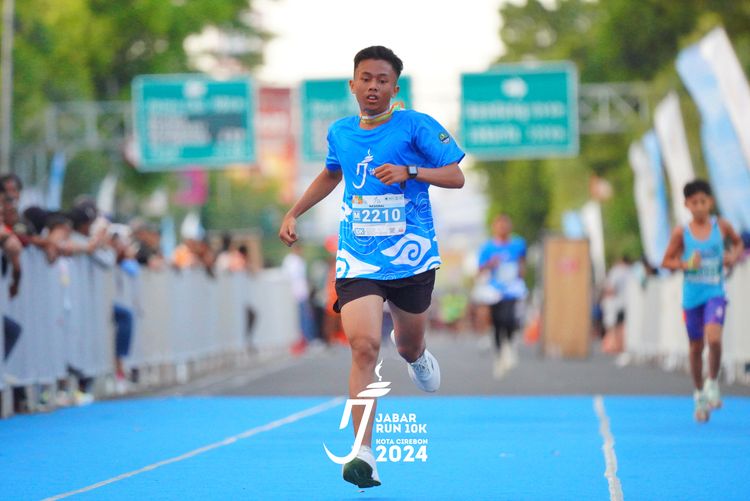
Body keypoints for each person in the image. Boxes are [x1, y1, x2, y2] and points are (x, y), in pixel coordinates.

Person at [278, 45, 464, 488]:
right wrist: (294, 212)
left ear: (394, 88)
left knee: (407, 346)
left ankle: (416, 356)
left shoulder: (415, 125)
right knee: (363, 347)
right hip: (358, 256)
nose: (373, 87)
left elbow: (456, 176)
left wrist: (410, 172)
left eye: (382, 80)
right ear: (353, 84)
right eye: (366, 78)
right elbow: (332, 173)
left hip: (411, 254)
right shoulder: (341, 132)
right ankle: (363, 452)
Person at [661, 179, 743, 423]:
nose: (699, 207)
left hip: (715, 292)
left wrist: (733, 256)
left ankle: (712, 382)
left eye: (702, 202)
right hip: (692, 297)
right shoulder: (682, 233)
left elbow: (738, 243)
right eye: (694, 202)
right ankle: (698, 393)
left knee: (714, 339)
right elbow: (666, 262)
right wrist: (686, 264)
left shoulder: (722, 226)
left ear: (711, 202)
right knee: (696, 347)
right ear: (686, 205)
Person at [477, 214, 527, 378]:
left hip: (512, 287)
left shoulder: (518, 244)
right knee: (497, 322)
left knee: (509, 318)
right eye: (500, 226)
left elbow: (522, 260)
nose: (503, 228)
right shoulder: (487, 248)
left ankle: (510, 344)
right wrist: (491, 264)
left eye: (505, 225)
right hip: (495, 289)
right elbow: (480, 269)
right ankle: (499, 356)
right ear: (494, 228)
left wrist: (521, 273)